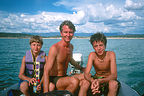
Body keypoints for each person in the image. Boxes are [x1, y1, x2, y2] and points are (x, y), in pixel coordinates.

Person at [43, 20, 89, 96]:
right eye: (65, 32)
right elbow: (46, 71)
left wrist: (81, 68)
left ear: (73, 33)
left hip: (64, 77)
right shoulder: (55, 48)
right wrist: (45, 93)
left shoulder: (71, 47)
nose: (68, 35)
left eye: (70, 32)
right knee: (74, 81)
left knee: (87, 77)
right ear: (61, 33)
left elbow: (70, 59)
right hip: (55, 78)